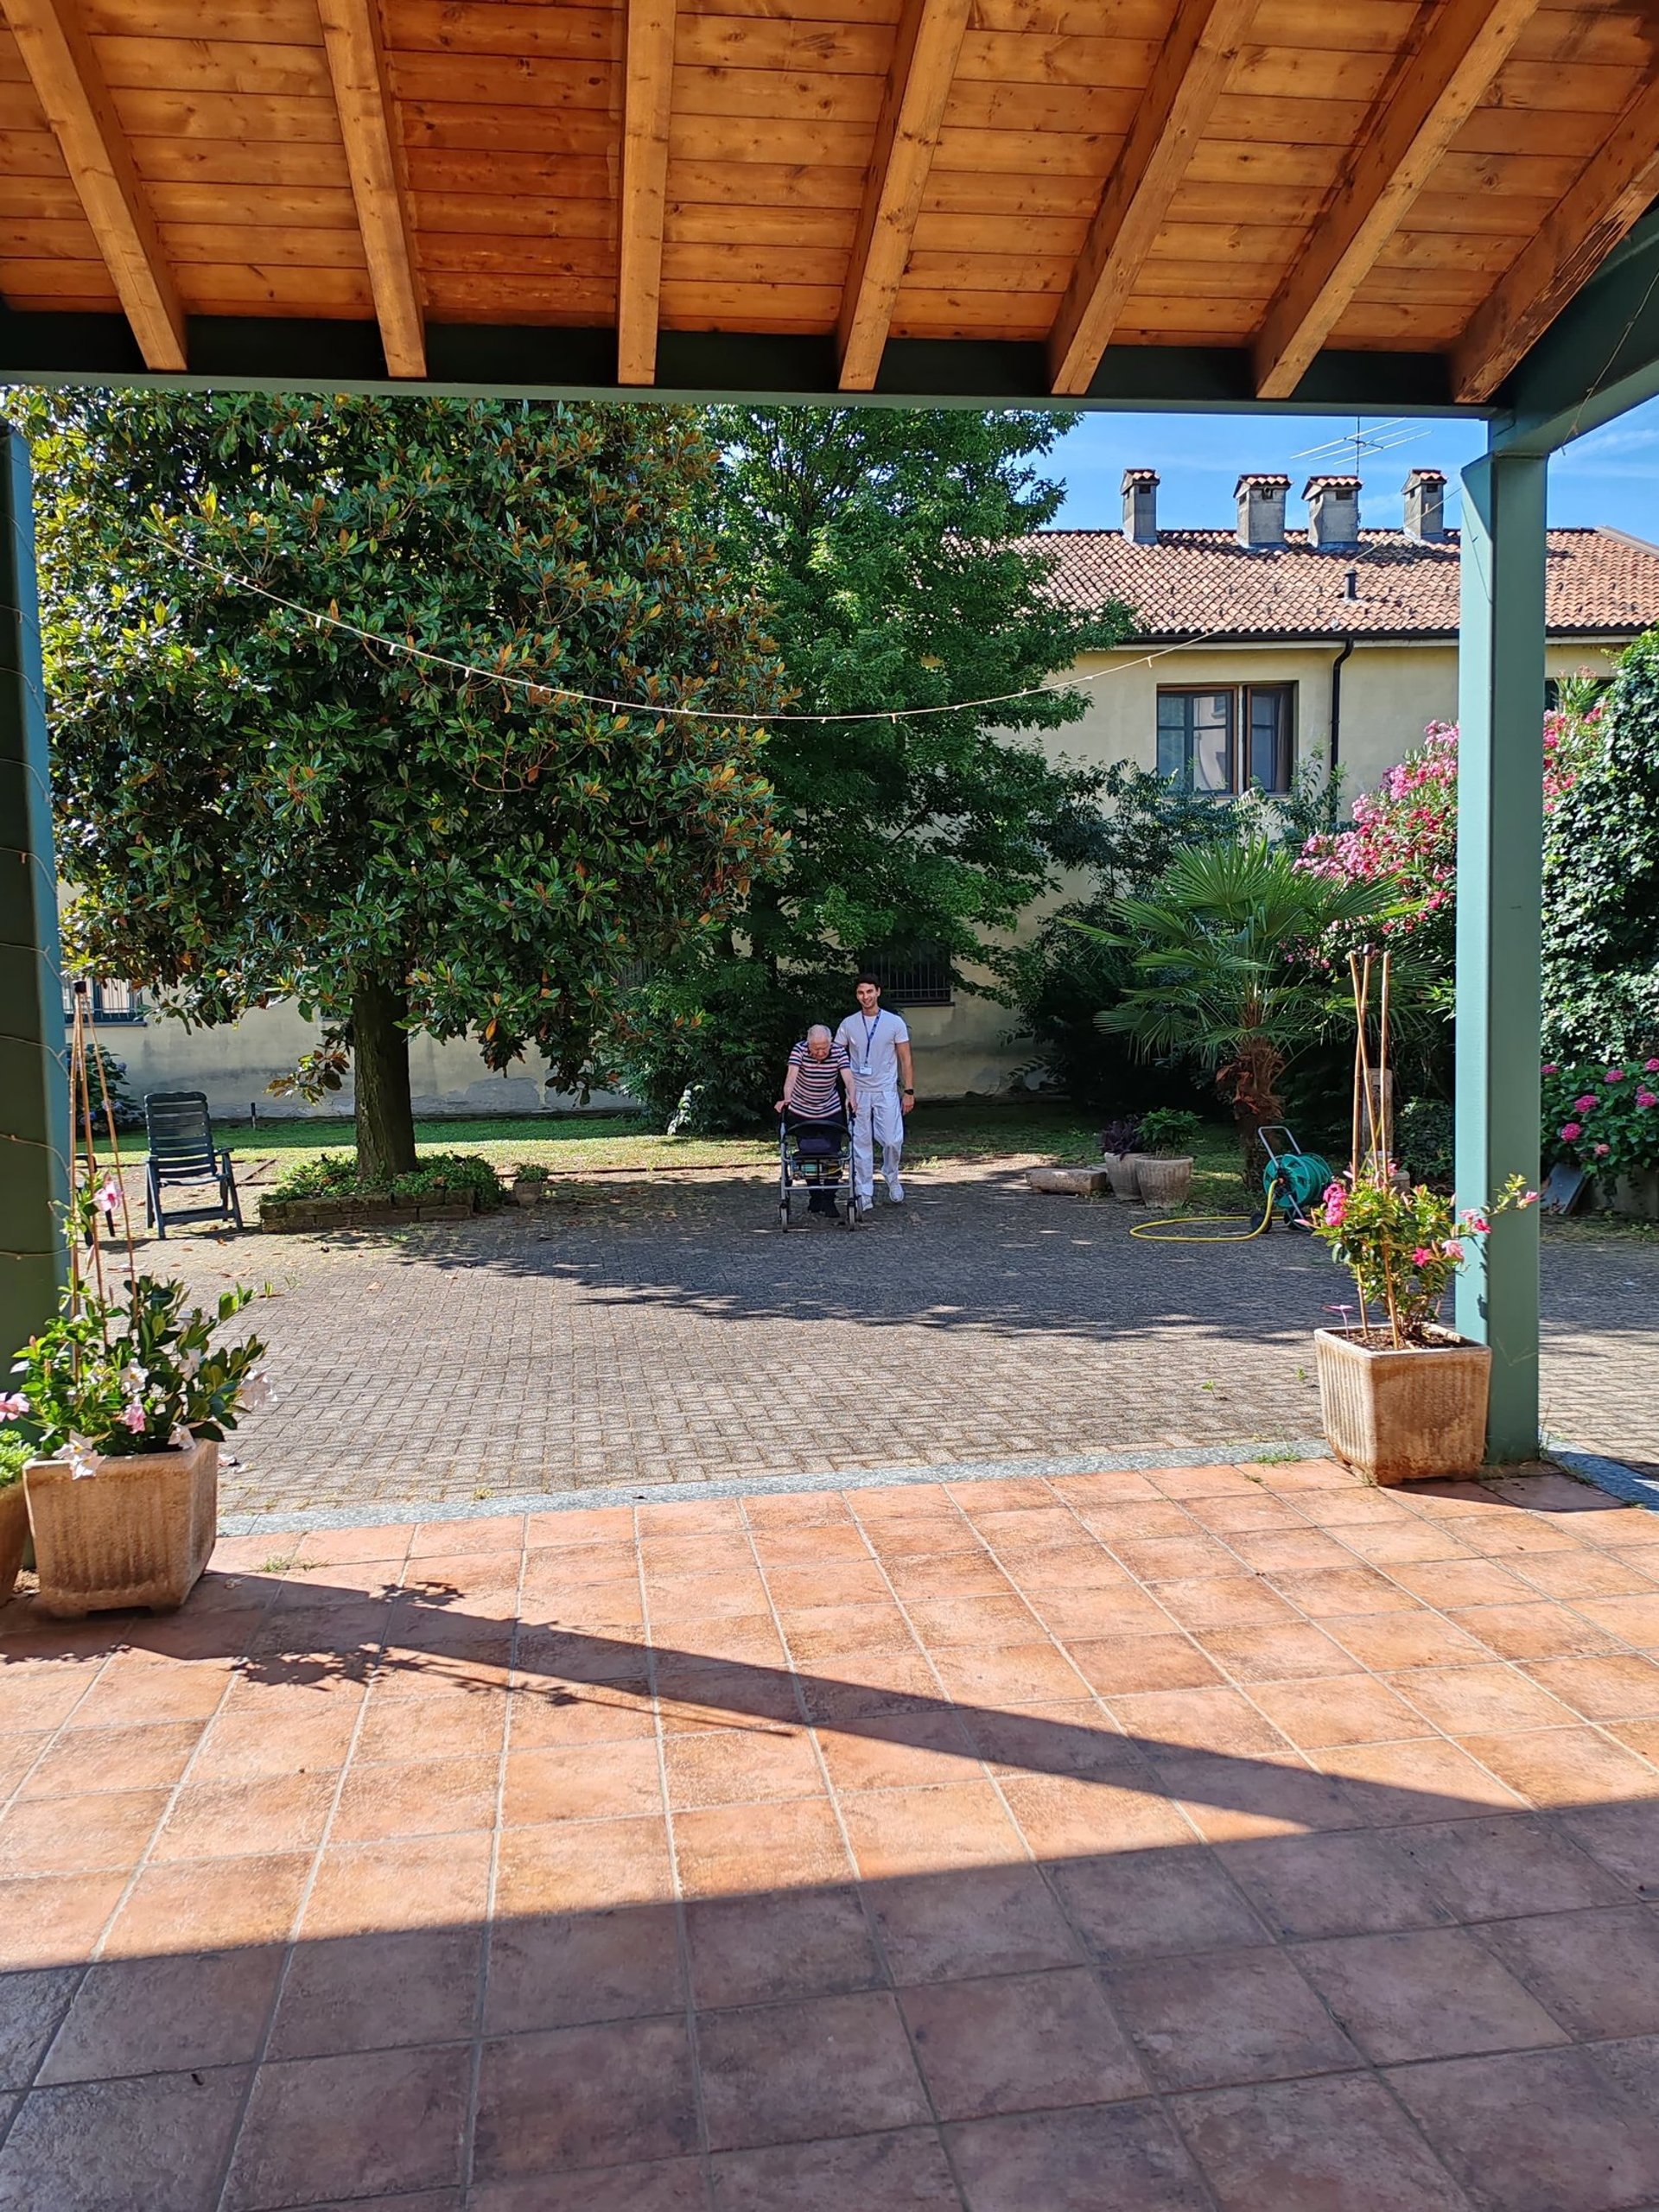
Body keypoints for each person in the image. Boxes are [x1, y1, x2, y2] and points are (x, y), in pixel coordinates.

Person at [835, 975, 914, 1212]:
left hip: (886, 1089)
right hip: (859, 1091)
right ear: (856, 995)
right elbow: (838, 1056)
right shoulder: (849, 1024)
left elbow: (906, 1059)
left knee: (892, 1140)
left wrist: (908, 1091)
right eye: (861, 993)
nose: (866, 997)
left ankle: (891, 1173)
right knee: (860, 1142)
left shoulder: (893, 1022)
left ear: (878, 992)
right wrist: (847, 1089)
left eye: (870, 992)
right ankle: (864, 1191)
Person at [776, 1025, 856, 1216]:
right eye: (815, 1048)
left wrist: (851, 1097)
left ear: (830, 1043)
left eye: (824, 1048)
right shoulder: (799, 1050)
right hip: (801, 1109)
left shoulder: (838, 1051)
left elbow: (849, 1079)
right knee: (809, 1153)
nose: (820, 1052)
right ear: (808, 1044)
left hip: (830, 1109)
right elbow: (791, 1078)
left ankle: (829, 1199)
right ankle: (815, 1194)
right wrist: (787, 1098)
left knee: (832, 1154)